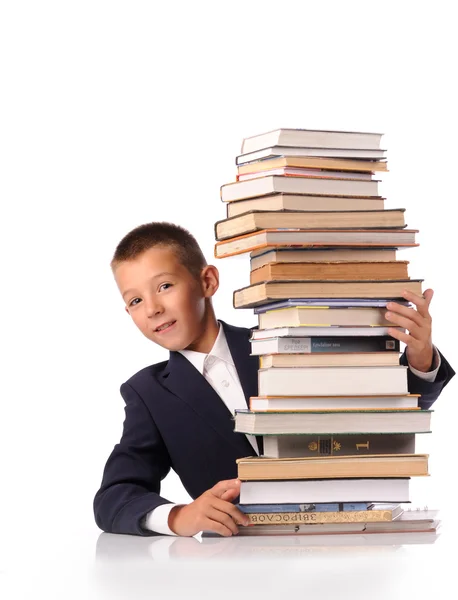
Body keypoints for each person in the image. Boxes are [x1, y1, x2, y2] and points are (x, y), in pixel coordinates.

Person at [93, 222, 455, 537]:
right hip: (245, 559)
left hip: (350, 539)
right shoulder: (149, 393)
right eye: (136, 300)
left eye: (165, 286)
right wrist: (178, 516)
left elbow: (380, 418)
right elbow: (114, 497)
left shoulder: (285, 341)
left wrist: (420, 358)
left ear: (207, 281)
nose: (152, 308)